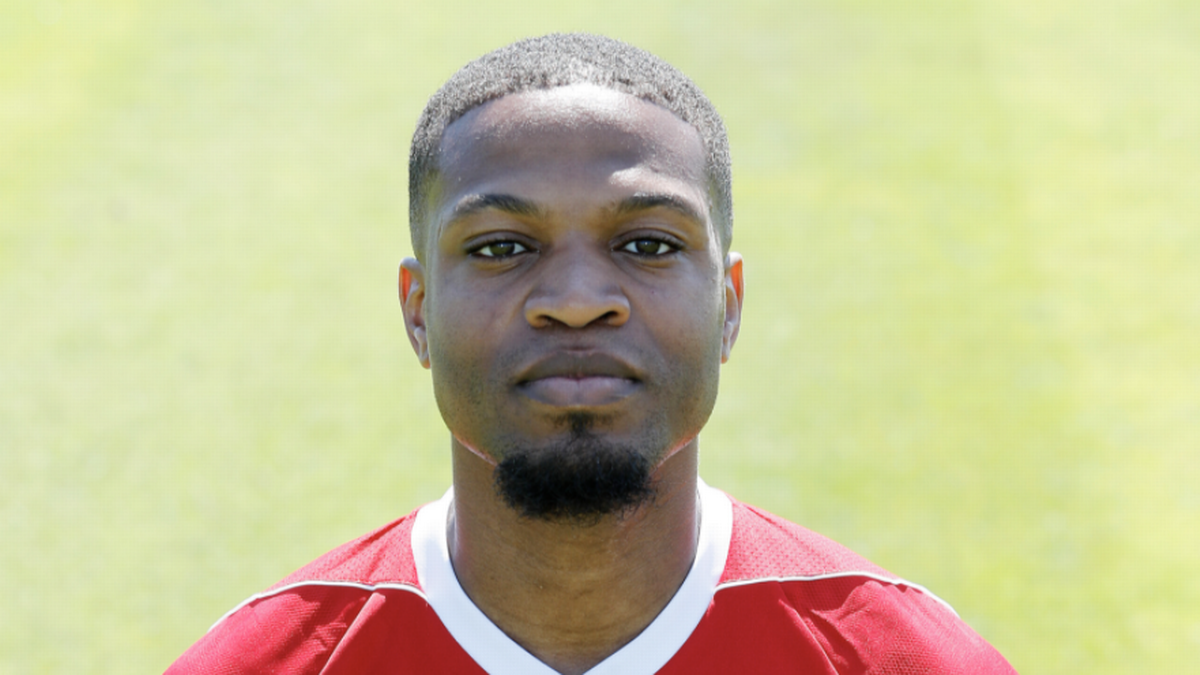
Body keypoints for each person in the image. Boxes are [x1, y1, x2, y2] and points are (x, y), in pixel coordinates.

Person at [167, 33, 1017, 675]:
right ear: (417, 310)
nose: (576, 300)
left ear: (728, 304)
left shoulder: (898, 658)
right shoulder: (272, 660)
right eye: (501, 247)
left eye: (648, 244)